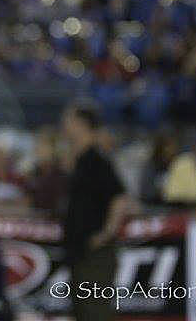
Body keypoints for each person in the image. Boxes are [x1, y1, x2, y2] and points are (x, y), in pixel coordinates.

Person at [61, 101, 132, 321]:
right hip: (80, 249)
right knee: (82, 312)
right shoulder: (80, 160)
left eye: (68, 120)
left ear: (81, 124)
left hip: (96, 253)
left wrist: (105, 234)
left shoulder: (97, 160)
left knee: (95, 312)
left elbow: (120, 198)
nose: (64, 125)